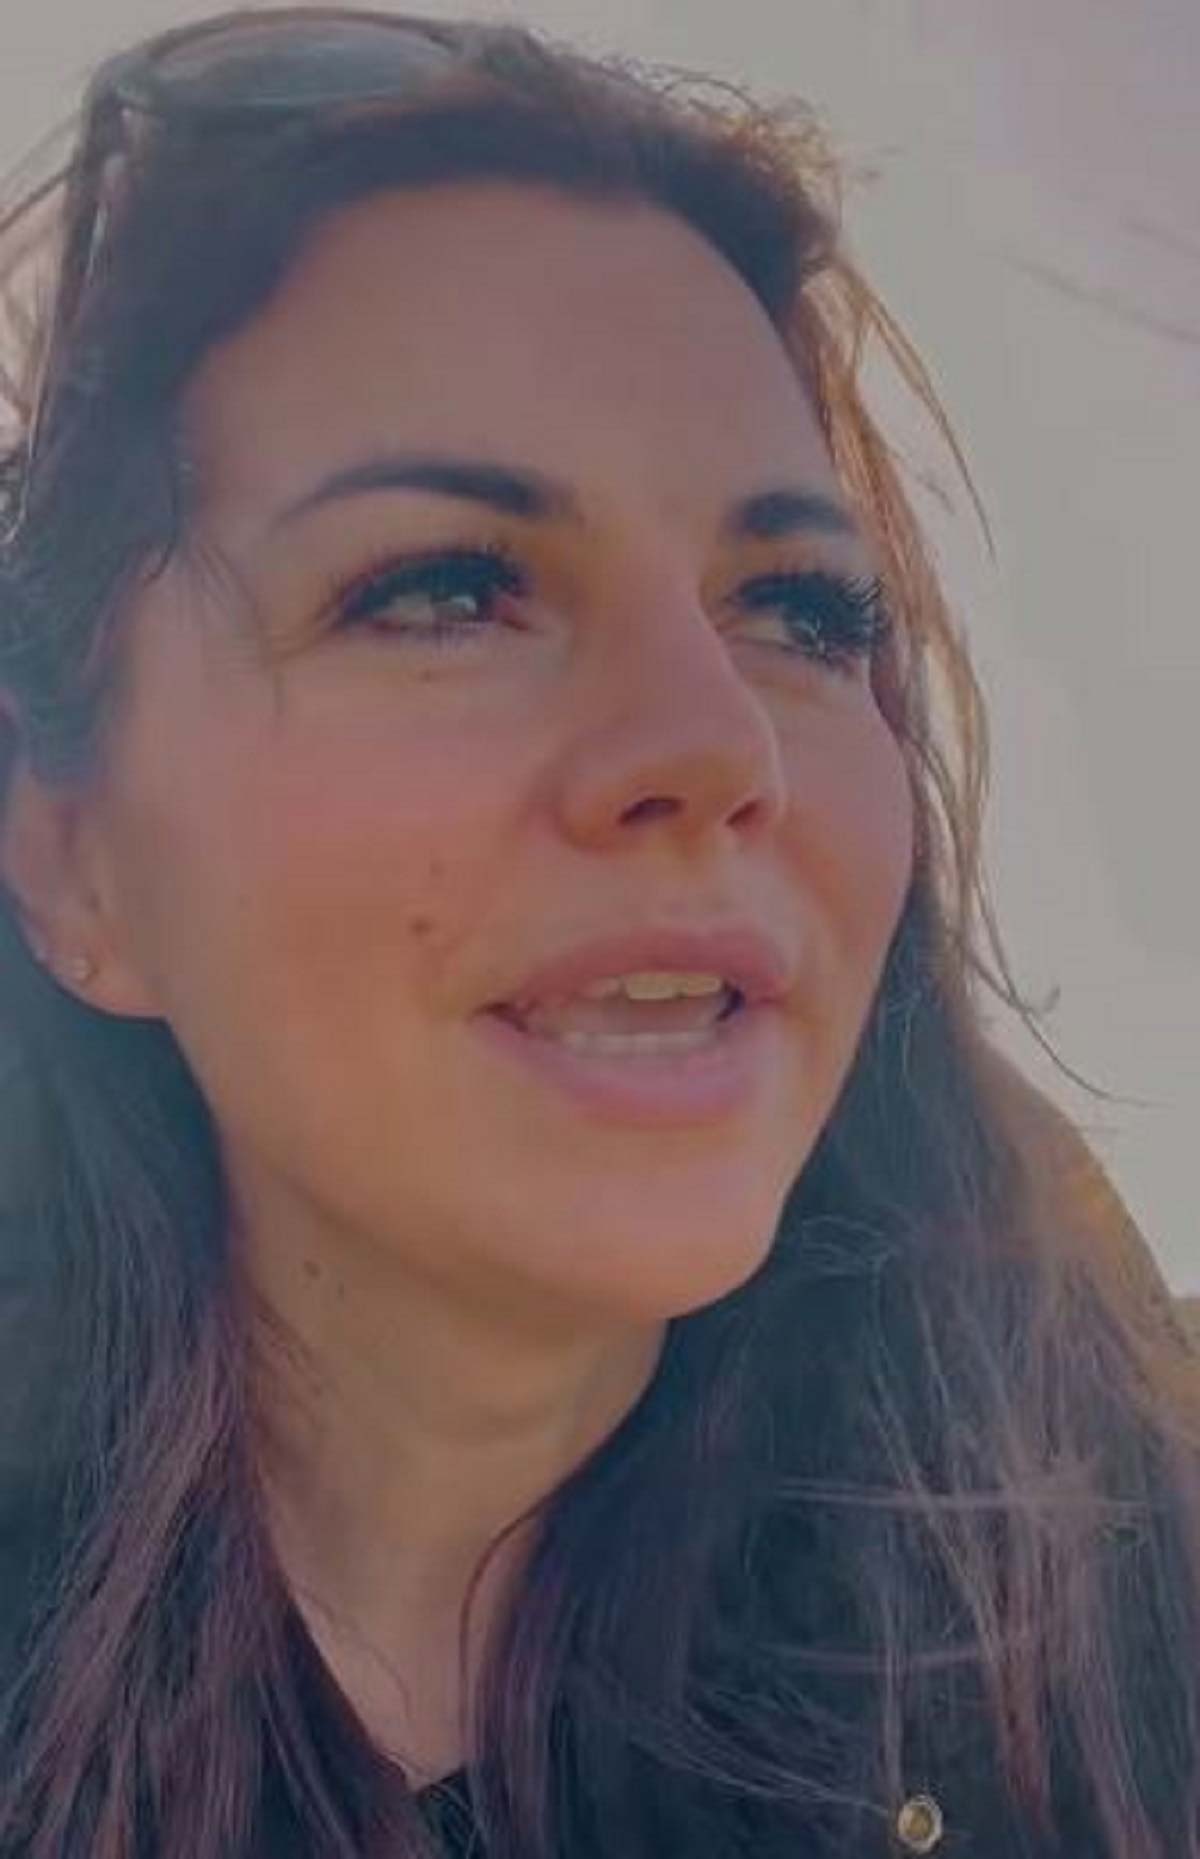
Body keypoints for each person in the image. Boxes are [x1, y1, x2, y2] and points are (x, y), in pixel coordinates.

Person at [0, 9, 1196, 1857]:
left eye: (800, 609)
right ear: (74, 863)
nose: (718, 745)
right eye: (446, 589)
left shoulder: (1115, 1605)